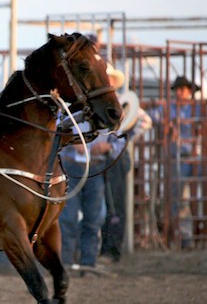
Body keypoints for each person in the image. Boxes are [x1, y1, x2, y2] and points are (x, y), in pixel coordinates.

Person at [59, 64, 129, 271]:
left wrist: (107, 147)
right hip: (73, 167)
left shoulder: (111, 110)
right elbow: (57, 134)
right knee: (70, 217)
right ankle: (68, 261)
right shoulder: (73, 106)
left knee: (93, 217)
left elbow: (120, 140)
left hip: (94, 168)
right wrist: (72, 143)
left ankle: (87, 262)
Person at [149, 75, 202, 250]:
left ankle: (183, 235)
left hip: (194, 157)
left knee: (185, 197)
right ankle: (182, 236)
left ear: (189, 91)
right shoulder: (169, 108)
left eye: (183, 89)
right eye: (178, 89)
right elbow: (152, 118)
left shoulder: (197, 109)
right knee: (180, 198)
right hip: (177, 158)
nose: (180, 92)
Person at [100, 87, 152, 262]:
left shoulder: (122, 102)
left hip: (114, 159)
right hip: (106, 159)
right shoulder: (117, 102)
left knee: (113, 205)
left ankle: (111, 249)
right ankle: (106, 248)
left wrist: (119, 143)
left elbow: (145, 121)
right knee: (107, 204)